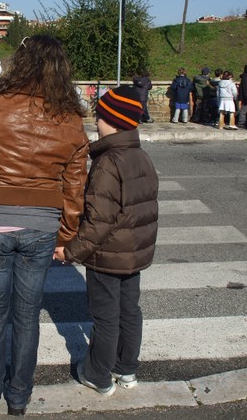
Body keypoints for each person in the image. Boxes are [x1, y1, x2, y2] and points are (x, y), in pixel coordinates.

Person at [0, 34, 89, 416]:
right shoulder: (70, 117)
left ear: (21, 62)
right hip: (42, 224)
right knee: (27, 315)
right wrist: (66, 235)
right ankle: (18, 399)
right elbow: (74, 186)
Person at [54, 85, 159, 397]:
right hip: (133, 254)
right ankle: (126, 368)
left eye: (99, 117)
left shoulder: (108, 162)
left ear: (112, 121)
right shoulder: (141, 156)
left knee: (106, 316)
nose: (96, 123)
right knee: (129, 310)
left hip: (107, 254)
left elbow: (98, 221)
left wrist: (70, 252)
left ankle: (98, 374)